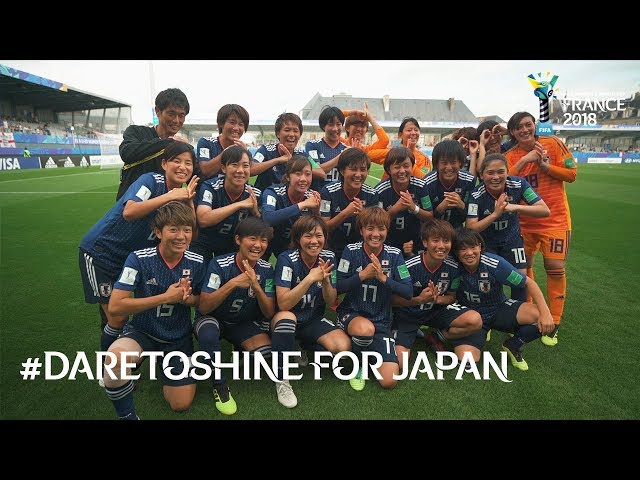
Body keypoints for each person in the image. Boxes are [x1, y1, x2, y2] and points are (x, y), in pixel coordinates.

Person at [79, 141, 198, 357]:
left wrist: (187, 202)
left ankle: (126, 354)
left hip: (129, 258)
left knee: (124, 314)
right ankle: (108, 370)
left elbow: (190, 234)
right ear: (164, 163)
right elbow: (129, 211)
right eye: (176, 161)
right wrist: (170, 196)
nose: (182, 167)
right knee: (117, 316)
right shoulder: (151, 181)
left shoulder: (181, 196)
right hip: (100, 253)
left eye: (188, 163)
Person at [103, 201, 206, 419]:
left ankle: (163, 366)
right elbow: (115, 306)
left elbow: (201, 302)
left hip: (177, 337)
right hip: (143, 332)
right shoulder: (138, 258)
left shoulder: (197, 261)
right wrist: (165, 297)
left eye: (187, 230)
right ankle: (128, 416)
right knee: (115, 360)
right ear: (158, 232)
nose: (181, 236)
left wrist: (186, 299)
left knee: (181, 403)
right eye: (173, 229)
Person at [504, 112, 577, 345]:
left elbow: (572, 174)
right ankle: (532, 313)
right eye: (519, 127)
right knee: (525, 269)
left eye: (528, 125)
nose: (525, 130)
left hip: (555, 220)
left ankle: (554, 321)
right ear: (513, 132)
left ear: (535, 125)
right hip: (524, 221)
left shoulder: (553, 143)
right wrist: (526, 160)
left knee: (555, 268)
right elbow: (504, 180)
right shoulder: (511, 155)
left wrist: (546, 167)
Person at [194, 218, 277, 413]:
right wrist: (232, 284)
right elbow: (204, 307)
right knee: (208, 332)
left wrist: (257, 288)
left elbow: (268, 312)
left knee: (264, 357)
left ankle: (239, 349)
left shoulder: (266, 270)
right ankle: (219, 385)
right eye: (253, 239)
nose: (258, 245)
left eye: (264, 240)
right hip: (214, 319)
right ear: (238, 239)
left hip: (242, 322)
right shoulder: (219, 264)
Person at [273, 215, 351, 405]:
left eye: (319, 235)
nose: (314, 241)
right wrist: (309, 278)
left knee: (343, 348)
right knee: (286, 319)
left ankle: (301, 346)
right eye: (308, 236)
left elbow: (331, 300)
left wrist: (325, 282)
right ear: (298, 238)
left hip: (313, 319)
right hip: (287, 317)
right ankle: (281, 379)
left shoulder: (329, 257)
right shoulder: (286, 259)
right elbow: (283, 303)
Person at [453, 228, 555, 371]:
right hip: (472, 318)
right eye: (463, 249)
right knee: (467, 362)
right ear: (456, 252)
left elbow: (528, 283)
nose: (469, 253)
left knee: (541, 316)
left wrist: (545, 313)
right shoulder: (452, 266)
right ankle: (478, 334)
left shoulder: (495, 264)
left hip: (499, 308)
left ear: (480, 247)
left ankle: (514, 344)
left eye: (473, 247)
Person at [336, 206, 413, 391]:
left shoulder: (395, 255)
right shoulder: (351, 251)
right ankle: (359, 365)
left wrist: (383, 278)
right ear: (361, 230)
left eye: (381, 229)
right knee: (364, 329)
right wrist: (362, 275)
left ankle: (370, 352)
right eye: (370, 228)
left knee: (390, 380)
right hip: (352, 314)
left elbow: (408, 292)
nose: (375, 234)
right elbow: (337, 287)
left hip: (381, 321)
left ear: (387, 230)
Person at [392, 220, 482, 369]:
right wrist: (419, 300)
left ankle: (436, 336)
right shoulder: (408, 267)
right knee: (399, 364)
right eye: (435, 240)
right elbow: (392, 301)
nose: (441, 246)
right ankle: (404, 334)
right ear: (425, 243)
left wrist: (437, 299)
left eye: (446, 241)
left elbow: (452, 296)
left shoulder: (453, 268)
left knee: (475, 320)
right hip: (409, 314)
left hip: (436, 312)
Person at [466, 153, 549, 301]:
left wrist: (514, 207)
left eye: (500, 172)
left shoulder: (519, 185)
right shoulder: (476, 195)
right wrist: (495, 214)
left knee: (520, 281)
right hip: (487, 243)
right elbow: (471, 228)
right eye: (490, 173)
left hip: (512, 240)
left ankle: (520, 317)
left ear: (507, 171)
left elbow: (544, 210)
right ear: (482, 175)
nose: (496, 177)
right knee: (487, 283)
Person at [117, 88, 194, 200]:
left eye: (181, 115)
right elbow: (127, 153)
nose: (176, 121)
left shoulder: (183, 147)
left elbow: (197, 176)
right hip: (131, 208)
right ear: (158, 111)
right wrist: (169, 142)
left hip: (164, 212)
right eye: (171, 114)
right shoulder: (136, 132)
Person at [191, 145, 261, 260]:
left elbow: (267, 229)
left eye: (245, 166)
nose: (240, 170)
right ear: (223, 168)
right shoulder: (210, 187)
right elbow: (203, 219)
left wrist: (256, 213)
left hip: (232, 243)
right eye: (234, 165)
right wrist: (239, 204)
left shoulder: (255, 193)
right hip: (204, 241)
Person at [319, 148, 380, 261]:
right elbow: (323, 227)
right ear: (342, 171)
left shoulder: (372, 194)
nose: (358, 174)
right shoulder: (328, 191)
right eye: (353, 169)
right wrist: (345, 213)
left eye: (363, 169)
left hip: (360, 251)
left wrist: (363, 214)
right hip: (331, 249)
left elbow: (376, 231)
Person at [375, 146, 433, 257]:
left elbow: (430, 216)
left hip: (416, 241)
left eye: (406, 166)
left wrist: (413, 207)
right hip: (388, 242)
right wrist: (395, 209)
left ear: (412, 166)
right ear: (388, 170)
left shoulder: (421, 186)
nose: (402, 171)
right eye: (397, 167)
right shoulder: (380, 190)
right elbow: (377, 223)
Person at [261, 155, 321, 259]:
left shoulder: (312, 196)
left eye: (308, 174)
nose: (303, 179)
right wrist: (303, 204)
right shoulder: (273, 192)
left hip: (298, 247)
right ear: (288, 176)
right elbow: (268, 218)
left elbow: (319, 230)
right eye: (298, 174)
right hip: (271, 244)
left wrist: (316, 211)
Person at [250, 112, 325, 193]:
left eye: (296, 131)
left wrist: (294, 164)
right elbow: (251, 169)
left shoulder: (302, 155)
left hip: (291, 202)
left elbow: (321, 173)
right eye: (287, 130)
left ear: (300, 135)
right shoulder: (265, 150)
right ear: (278, 134)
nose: (292, 134)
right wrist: (278, 160)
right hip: (266, 200)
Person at [424, 139, 476, 230]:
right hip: (432, 230)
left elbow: (473, 214)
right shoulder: (426, 183)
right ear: (436, 164)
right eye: (444, 163)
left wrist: (461, 205)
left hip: (458, 229)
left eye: (453, 162)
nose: (449, 168)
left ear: (460, 162)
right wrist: (440, 208)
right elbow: (424, 218)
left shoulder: (469, 180)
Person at [196, 103, 250, 180]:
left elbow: (252, 170)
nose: (236, 128)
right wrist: (228, 152)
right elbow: (205, 170)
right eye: (232, 122)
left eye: (241, 124)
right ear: (221, 123)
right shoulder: (206, 143)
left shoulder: (243, 149)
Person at [368, 117, 432, 179]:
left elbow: (423, 179)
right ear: (400, 135)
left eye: (416, 130)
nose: (413, 133)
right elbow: (369, 155)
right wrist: (394, 152)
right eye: (409, 130)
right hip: (389, 189)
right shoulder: (392, 153)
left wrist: (407, 155)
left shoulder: (424, 159)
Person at [305, 106, 348, 190]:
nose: (335, 129)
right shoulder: (312, 145)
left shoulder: (346, 148)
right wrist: (341, 156)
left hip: (338, 199)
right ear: (323, 126)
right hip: (317, 197)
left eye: (338, 124)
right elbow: (317, 171)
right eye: (331, 124)